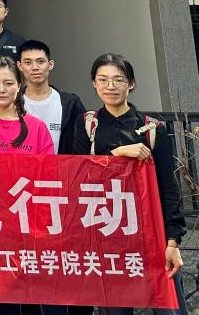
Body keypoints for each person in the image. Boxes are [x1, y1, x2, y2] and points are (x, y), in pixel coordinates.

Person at [72, 54, 186, 315]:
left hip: (150, 232)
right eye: (103, 80)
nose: (110, 86)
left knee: (168, 307)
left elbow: (168, 188)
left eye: (118, 80)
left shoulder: (152, 128)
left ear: (131, 83)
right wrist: (117, 154)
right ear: (94, 84)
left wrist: (172, 241)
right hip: (107, 232)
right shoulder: (88, 124)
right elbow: (78, 175)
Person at [0, 57, 54, 155]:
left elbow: (49, 164)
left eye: (8, 83)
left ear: (19, 86)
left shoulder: (38, 128)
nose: (1, 90)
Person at [17, 39, 85, 154]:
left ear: (50, 64)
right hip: (22, 165)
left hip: (60, 165)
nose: (35, 67)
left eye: (40, 61)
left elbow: (82, 144)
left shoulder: (70, 104)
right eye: (28, 62)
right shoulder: (12, 103)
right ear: (20, 66)